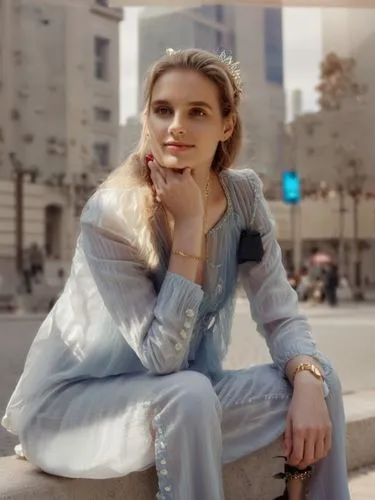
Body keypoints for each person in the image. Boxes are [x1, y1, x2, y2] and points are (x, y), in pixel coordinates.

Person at [1, 49, 349, 500]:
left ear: (226, 126)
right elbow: (162, 359)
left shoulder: (243, 197)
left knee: (322, 380)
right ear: (146, 118)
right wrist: (188, 229)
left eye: (197, 112)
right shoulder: (111, 213)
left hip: (186, 405)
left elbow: (280, 314)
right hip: (74, 413)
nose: (176, 126)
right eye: (163, 110)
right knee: (187, 393)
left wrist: (305, 377)